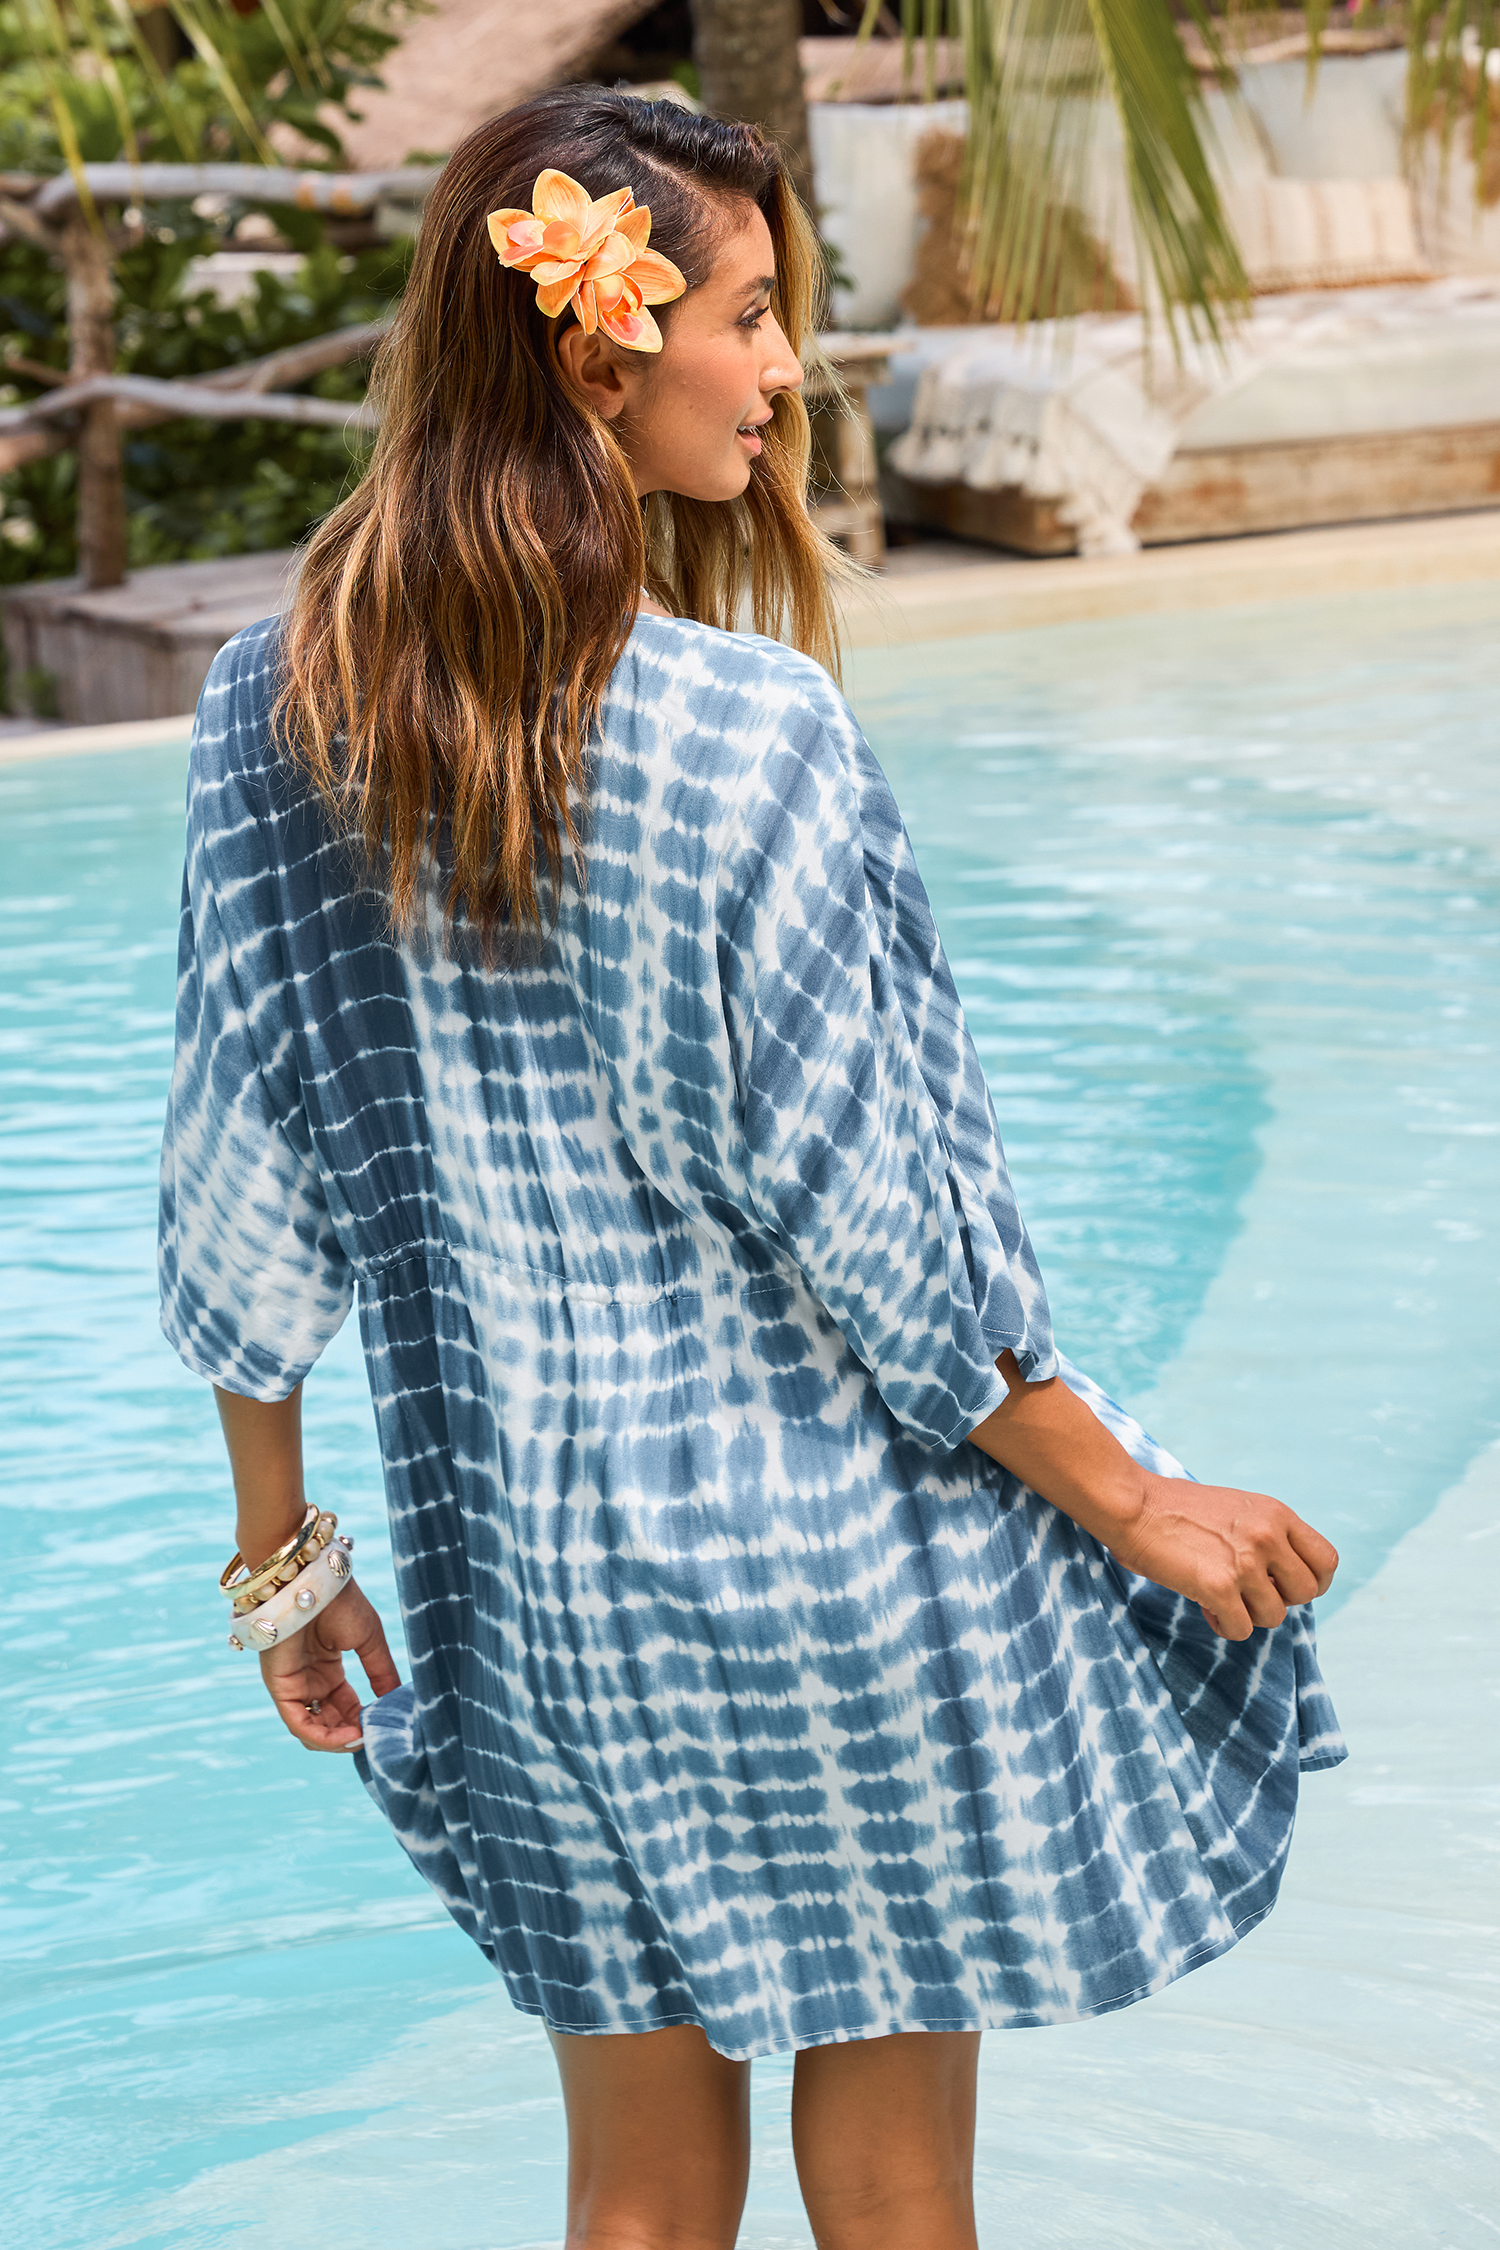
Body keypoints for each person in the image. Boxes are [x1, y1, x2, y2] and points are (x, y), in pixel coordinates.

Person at [159, 89, 1344, 2250]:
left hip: (529, 1598)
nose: (788, 372)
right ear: (599, 352)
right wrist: (1124, 1493)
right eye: (752, 314)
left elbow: (242, 1180)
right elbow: (884, 1227)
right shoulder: (752, 727)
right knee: (895, 2199)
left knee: (633, 2205)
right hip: (832, 1570)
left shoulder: (269, 711)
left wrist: (282, 1561)